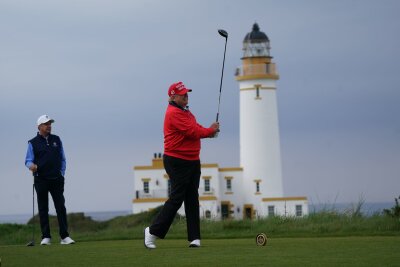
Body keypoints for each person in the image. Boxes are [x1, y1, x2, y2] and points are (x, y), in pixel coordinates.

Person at [144, 81, 220, 249]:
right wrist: (210, 132)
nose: (186, 96)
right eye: (183, 94)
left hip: (192, 160)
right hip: (177, 161)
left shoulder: (185, 111)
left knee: (192, 198)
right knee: (177, 198)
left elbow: (196, 127)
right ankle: (152, 232)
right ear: (173, 96)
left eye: (187, 93)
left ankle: (194, 238)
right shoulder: (173, 113)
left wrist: (209, 130)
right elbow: (192, 132)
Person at [25, 115, 75, 245]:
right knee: (43, 208)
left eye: (50, 123)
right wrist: (31, 166)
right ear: (39, 127)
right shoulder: (32, 142)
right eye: (46, 124)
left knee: (60, 207)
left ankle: (64, 236)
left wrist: (61, 173)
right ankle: (46, 237)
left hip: (56, 179)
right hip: (41, 179)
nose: (49, 126)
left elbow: (62, 158)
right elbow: (28, 160)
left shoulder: (56, 140)